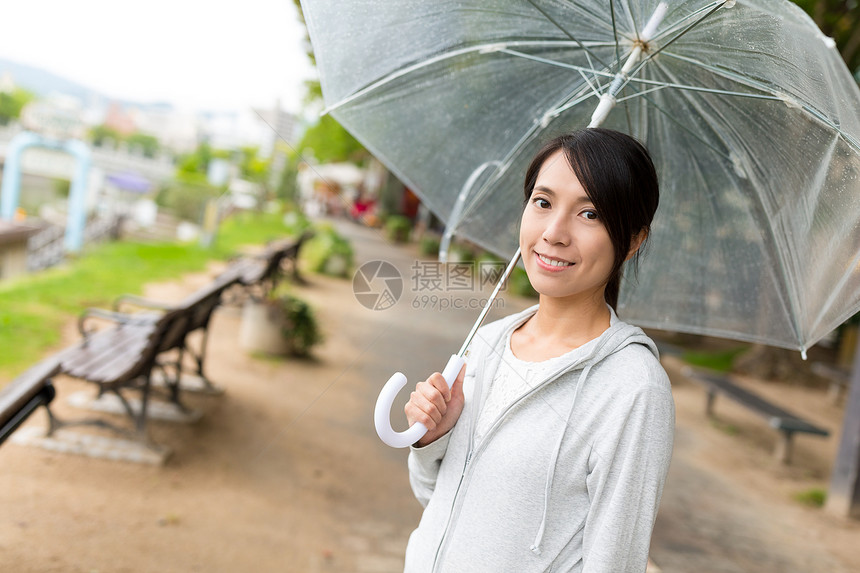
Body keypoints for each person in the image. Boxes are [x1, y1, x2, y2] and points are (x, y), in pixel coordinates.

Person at [403, 128, 675, 572]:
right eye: (543, 202)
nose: (553, 233)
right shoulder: (490, 342)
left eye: (589, 214)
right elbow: (438, 503)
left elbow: (615, 562)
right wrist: (434, 439)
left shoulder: (633, 389)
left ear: (632, 240)